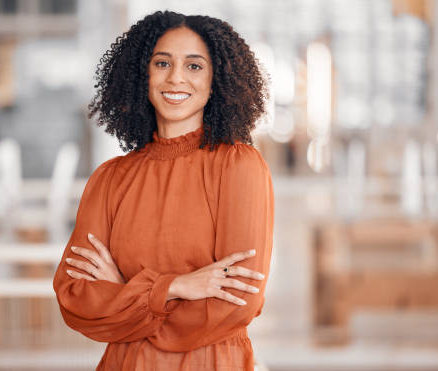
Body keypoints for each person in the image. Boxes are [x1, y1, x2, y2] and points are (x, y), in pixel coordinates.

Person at [53, 10, 274, 370]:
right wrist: (175, 287)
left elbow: (237, 303)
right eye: (162, 63)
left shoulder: (239, 167)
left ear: (217, 79)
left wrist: (127, 293)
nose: (175, 78)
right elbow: (76, 299)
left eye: (194, 66)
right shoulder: (109, 179)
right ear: (143, 73)